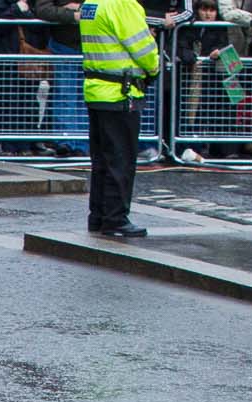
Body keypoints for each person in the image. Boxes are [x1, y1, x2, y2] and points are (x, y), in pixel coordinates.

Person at [83, 0, 160, 236]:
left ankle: (98, 215)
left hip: (97, 88)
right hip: (120, 93)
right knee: (120, 159)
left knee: (102, 161)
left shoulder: (91, 3)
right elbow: (143, 49)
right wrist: (154, 68)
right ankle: (115, 218)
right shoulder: (122, 4)